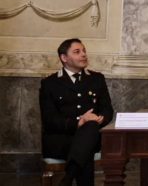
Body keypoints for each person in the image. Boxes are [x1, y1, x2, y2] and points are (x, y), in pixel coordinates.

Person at [39, 38, 114, 186]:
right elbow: (49, 119)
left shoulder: (97, 79)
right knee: (86, 147)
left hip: (91, 136)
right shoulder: (50, 83)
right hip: (61, 140)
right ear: (64, 58)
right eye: (77, 52)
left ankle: (68, 178)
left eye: (84, 51)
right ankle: (69, 176)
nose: (84, 54)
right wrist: (79, 122)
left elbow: (107, 110)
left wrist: (100, 119)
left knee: (91, 127)